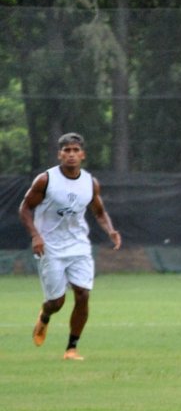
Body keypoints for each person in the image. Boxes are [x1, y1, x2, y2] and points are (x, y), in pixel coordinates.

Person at [19, 132, 122, 361]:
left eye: (76, 150)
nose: (71, 155)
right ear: (59, 154)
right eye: (67, 150)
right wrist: (36, 236)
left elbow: (99, 211)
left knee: (83, 295)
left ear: (83, 154)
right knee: (57, 302)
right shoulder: (45, 180)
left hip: (79, 246)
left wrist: (111, 230)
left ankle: (71, 348)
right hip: (50, 247)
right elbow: (24, 208)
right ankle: (45, 315)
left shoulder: (90, 182)